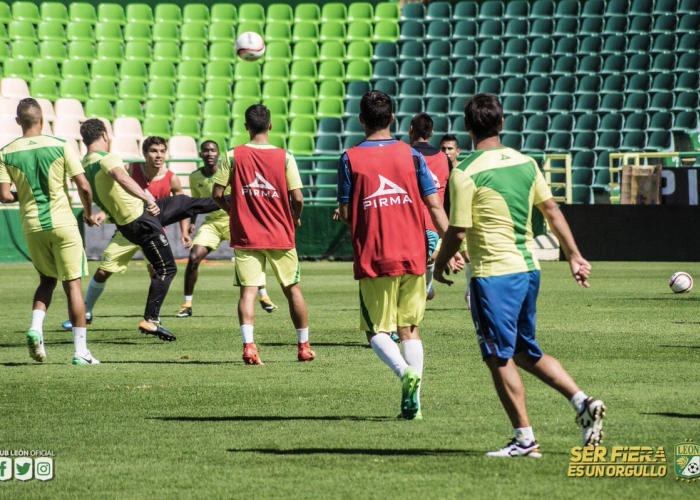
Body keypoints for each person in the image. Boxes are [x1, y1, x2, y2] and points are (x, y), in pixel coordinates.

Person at [434, 93, 604, 457]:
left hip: (493, 274)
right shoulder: (526, 162)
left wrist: (437, 263)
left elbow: (458, 231)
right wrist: (574, 255)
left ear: (467, 128)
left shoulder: (464, 171)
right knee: (525, 351)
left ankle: (525, 440)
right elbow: (552, 211)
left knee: (498, 356)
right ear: (502, 123)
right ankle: (582, 403)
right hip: (528, 270)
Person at [337, 91, 452, 420]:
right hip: (414, 253)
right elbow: (434, 204)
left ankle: (405, 375)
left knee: (377, 333)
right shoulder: (411, 155)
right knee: (410, 329)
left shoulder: (350, 158)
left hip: (375, 255)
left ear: (360, 119)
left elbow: (346, 212)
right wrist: (452, 244)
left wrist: (356, 215)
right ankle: (414, 406)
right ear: (391, 119)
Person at [78, 119, 227, 341]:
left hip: (138, 217)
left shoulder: (84, 164)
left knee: (186, 202)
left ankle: (237, 202)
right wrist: (147, 198)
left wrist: (89, 212)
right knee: (167, 269)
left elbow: (85, 190)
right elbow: (121, 177)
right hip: (139, 221)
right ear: (105, 135)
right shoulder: (108, 158)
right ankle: (151, 319)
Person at [212, 104, 314, 365]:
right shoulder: (285, 156)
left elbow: (216, 194)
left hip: (247, 234)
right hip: (280, 233)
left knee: (248, 292)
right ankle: (303, 347)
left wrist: (234, 211)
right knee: (292, 290)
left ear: (247, 126)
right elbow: (298, 197)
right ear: (270, 125)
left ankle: (249, 347)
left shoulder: (233, 155)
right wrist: (296, 218)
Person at [0, 98, 100, 365]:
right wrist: (89, 213)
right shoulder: (61, 145)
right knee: (73, 285)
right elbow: (84, 187)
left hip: (32, 226)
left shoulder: (6, 152)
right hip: (63, 223)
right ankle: (80, 352)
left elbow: (4, 196)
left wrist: (27, 193)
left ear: (18, 121)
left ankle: (36, 327)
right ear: (42, 119)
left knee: (46, 280)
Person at [61, 136, 188, 330]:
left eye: (162, 151)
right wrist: (103, 212)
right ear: (144, 154)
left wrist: (184, 230)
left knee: (157, 272)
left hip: (152, 230)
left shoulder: (172, 178)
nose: (158, 155)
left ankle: (153, 317)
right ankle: (85, 314)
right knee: (103, 271)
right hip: (127, 229)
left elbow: (181, 205)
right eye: (154, 151)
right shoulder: (129, 169)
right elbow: (114, 193)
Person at [176, 140, 278, 318]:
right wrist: (191, 223)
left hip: (234, 220)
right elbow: (196, 202)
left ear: (218, 154)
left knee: (252, 256)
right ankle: (187, 304)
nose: (209, 153)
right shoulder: (195, 177)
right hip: (212, 224)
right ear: (201, 154)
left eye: (213, 150)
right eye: (205, 150)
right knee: (193, 258)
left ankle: (264, 296)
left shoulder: (228, 172)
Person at [408, 114, 463, 301]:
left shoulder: (402, 154)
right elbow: (447, 199)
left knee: (405, 280)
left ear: (410, 129)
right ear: (431, 133)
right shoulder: (443, 159)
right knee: (416, 274)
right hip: (433, 225)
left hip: (405, 224)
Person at [440, 134, 472, 308]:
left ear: (457, 151)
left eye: (450, 148)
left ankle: (469, 292)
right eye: (443, 148)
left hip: (459, 221)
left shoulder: (464, 171)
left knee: (468, 257)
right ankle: (428, 288)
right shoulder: (436, 170)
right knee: (429, 257)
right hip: (440, 222)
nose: (446, 152)